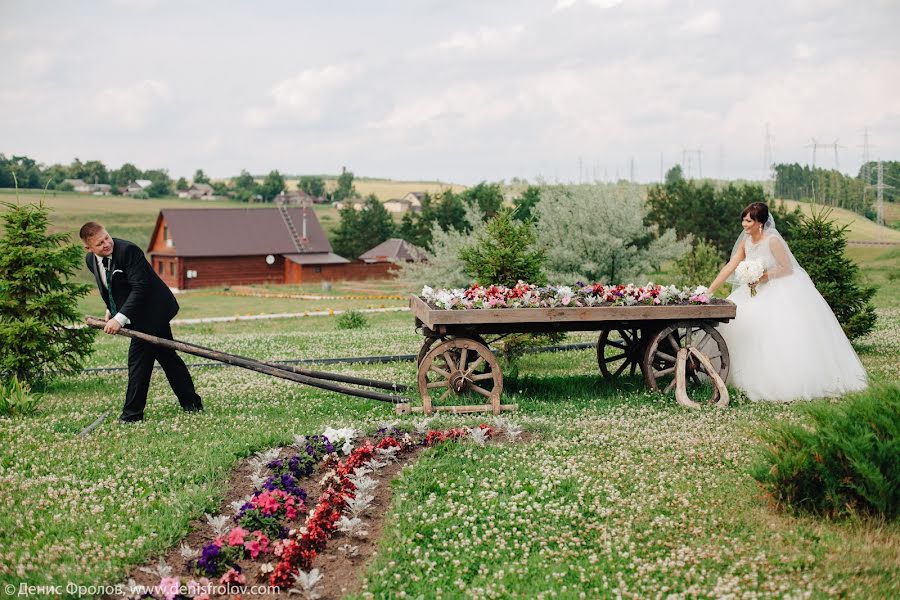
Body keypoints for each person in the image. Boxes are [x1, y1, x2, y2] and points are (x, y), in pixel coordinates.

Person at [706, 202, 867, 402]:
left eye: (749, 220)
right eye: (744, 220)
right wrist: (709, 290)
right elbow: (731, 265)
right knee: (738, 319)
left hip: (779, 288)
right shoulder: (746, 242)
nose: (744, 224)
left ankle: (780, 381)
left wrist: (762, 276)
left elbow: (787, 268)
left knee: (773, 331)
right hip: (753, 290)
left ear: (760, 223)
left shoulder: (773, 241)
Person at [80, 221, 203, 422]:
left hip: (154, 310)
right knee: (168, 358)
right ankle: (192, 404)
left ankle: (132, 416)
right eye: (100, 243)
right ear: (89, 248)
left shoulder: (128, 251)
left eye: (107, 238)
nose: (106, 244)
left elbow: (140, 288)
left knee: (138, 361)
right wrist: (112, 309)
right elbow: (114, 286)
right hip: (137, 312)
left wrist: (120, 319)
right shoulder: (90, 261)